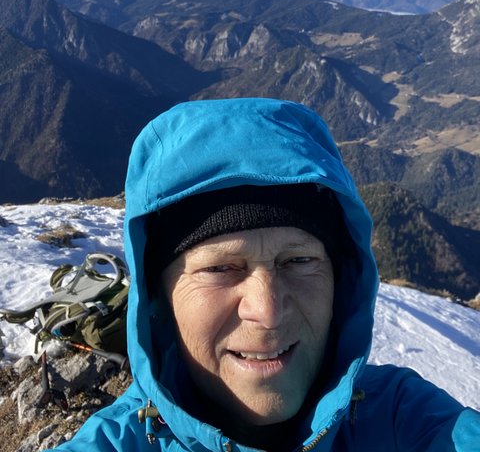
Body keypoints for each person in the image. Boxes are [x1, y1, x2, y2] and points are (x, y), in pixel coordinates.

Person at [49, 97, 479, 451]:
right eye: (221, 268)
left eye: (299, 261)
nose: (268, 311)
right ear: (158, 297)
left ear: (340, 280)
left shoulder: (403, 419)